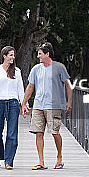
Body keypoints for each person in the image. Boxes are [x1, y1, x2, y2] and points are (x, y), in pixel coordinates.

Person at [22, 42, 72, 170]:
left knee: (55, 132)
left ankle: (59, 158)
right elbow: (30, 86)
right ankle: (41, 161)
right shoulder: (36, 69)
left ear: (47, 54)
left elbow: (68, 85)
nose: (38, 57)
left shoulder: (59, 68)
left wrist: (69, 102)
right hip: (38, 105)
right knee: (39, 133)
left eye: (40, 54)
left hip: (54, 105)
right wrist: (24, 103)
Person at [0, 46, 25, 169]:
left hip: (13, 103)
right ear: (4, 56)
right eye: (10, 55)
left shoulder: (17, 71)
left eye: (14, 55)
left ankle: (9, 161)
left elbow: (20, 89)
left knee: (12, 133)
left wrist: (24, 104)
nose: (13, 58)